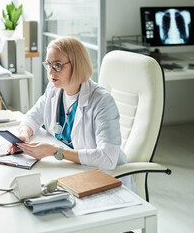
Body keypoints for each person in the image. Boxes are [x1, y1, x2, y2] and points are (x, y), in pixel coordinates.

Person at [9, 37, 137, 191]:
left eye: (57, 65)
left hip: (104, 178)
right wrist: (24, 134)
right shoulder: (54, 89)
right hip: (69, 171)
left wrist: (56, 152)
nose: (50, 72)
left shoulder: (102, 101)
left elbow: (107, 158)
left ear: (77, 65)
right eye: (48, 65)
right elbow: (33, 117)